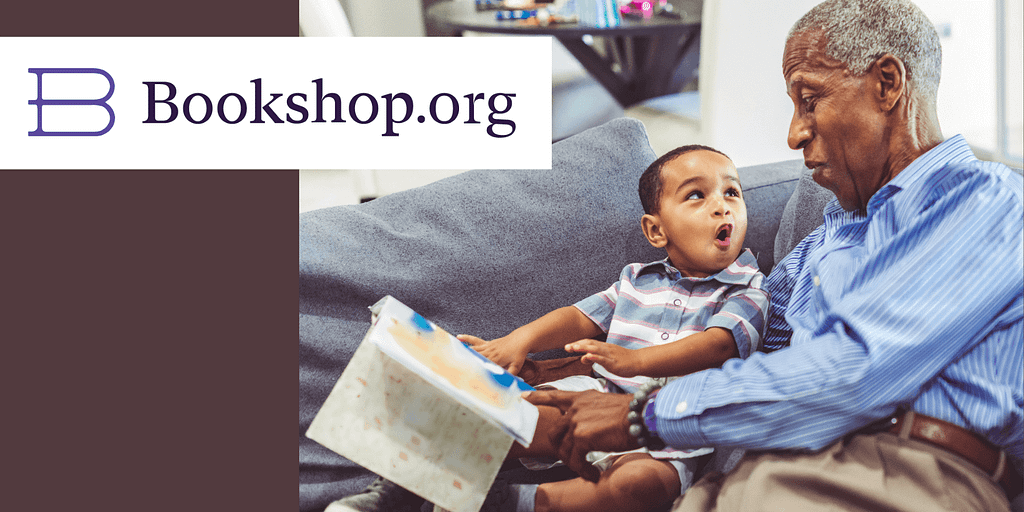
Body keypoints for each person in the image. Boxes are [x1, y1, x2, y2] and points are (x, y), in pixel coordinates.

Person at [523, 1, 1024, 511]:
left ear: (887, 84)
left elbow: (851, 372)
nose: (794, 134)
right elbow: (734, 343)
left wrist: (642, 415)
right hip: (760, 470)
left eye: (810, 100)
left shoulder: (982, 200)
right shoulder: (822, 243)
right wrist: (584, 386)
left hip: (899, 472)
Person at [329, 145, 770, 512]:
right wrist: (517, 342)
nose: (721, 204)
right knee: (493, 412)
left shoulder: (747, 289)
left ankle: (506, 502)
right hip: (591, 401)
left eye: (733, 192)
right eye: (697, 195)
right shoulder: (637, 279)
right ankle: (400, 492)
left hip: (671, 433)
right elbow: (578, 316)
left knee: (640, 487)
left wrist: (636, 360)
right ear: (656, 230)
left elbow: (719, 345)